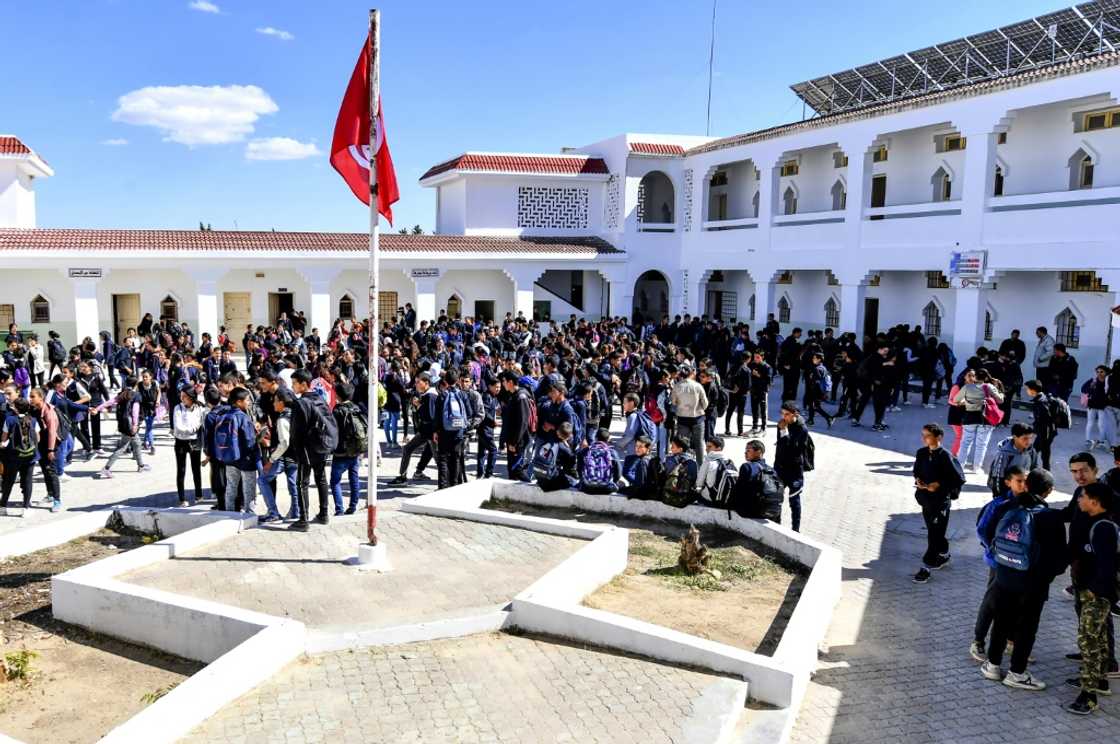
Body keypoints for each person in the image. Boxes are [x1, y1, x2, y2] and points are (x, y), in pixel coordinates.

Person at [980, 468, 1067, 691]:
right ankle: (1017, 673)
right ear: (1049, 491)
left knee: (1001, 621)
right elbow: (1059, 558)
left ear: (1026, 486)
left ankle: (992, 665)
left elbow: (989, 533)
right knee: (1027, 627)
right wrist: (1048, 575)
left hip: (1004, 575)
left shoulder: (1008, 507)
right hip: (1033, 583)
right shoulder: (1051, 517)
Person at [1065, 482, 1118, 714]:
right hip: (1093, 590)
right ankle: (1100, 680)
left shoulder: (1104, 528)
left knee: (1089, 641)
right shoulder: (1092, 521)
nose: (1079, 499)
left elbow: (1108, 567)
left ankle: (1088, 696)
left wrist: (1093, 592)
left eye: (1083, 497)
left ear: (1095, 502)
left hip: (1098, 594)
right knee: (1100, 638)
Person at [972, 465, 1031, 661]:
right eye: (1019, 481)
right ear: (1008, 482)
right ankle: (978, 641)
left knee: (1017, 604)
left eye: (1025, 481)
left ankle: (1011, 642)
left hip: (1019, 565)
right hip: (998, 564)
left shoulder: (1029, 502)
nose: (1023, 485)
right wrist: (996, 550)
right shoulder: (999, 504)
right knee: (991, 601)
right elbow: (982, 530)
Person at [911, 423, 965, 583]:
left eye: (927, 435)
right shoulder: (921, 453)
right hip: (925, 499)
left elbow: (958, 478)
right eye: (923, 435)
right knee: (933, 530)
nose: (924, 439)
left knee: (934, 532)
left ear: (938, 437)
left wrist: (939, 485)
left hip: (940, 501)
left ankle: (926, 566)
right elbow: (916, 470)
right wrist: (919, 481)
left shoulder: (946, 456)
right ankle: (944, 552)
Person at [290, 369, 336, 528]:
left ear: (303, 384)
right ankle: (324, 514)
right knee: (321, 479)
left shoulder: (301, 403)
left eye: (294, 383)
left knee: (302, 482)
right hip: (322, 446)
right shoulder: (319, 398)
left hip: (306, 449)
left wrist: (295, 449)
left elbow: (296, 430)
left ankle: (303, 520)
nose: (292, 386)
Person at [217, 387, 261, 515]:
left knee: (231, 487)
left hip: (230, 458)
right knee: (249, 489)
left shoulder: (225, 415)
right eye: (247, 399)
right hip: (246, 459)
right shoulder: (243, 417)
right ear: (238, 402)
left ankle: (229, 512)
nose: (249, 402)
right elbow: (249, 440)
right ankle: (249, 514)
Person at [95, 376, 150, 478]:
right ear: (136, 384)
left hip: (123, 424)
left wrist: (97, 408)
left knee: (137, 443)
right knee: (122, 448)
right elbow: (135, 412)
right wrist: (135, 425)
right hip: (130, 425)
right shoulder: (136, 395)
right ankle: (106, 469)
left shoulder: (122, 394)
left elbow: (110, 402)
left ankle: (141, 465)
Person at [258, 388, 299, 522]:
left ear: (282, 402)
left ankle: (273, 512)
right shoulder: (296, 414)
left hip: (282, 457)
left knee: (263, 480)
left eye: (275, 401)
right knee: (294, 486)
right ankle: (295, 512)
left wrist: (271, 460)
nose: (273, 404)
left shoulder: (282, 419)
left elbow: (284, 443)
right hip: (296, 457)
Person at [389, 372, 437, 486]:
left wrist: (418, 405)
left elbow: (430, 416)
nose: (416, 385)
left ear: (426, 383)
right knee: (407, 449)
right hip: (425, 431)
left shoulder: (430, 396)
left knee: (439, 459)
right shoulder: (426, 395)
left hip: (431, 432)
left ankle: (447, 481)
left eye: (418, 382)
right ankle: (402, 476)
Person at [952, 368, 1003, 471]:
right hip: (986, 419)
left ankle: (960, 466)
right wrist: (1000, 393)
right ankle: (976, 467)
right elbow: (1000, 400)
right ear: (985, 378)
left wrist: (968, 401)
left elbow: (955, 400)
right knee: (981, 444)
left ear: (975, 377)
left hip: (969, 418)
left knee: (965, 442)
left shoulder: (967, 387)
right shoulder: (989, 386)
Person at [330, 382, 366, 515]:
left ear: (338, 395)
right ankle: (353, 506)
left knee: (335, 481)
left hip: (341, 451)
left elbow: (333, 431)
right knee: (354, 479)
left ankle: (339, 509)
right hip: (356, 450)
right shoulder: (356, 407)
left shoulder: (337, 410)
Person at [774, 403, 811, 531]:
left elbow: (793, 450)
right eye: (782, 414)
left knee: (794, 500)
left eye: (787, 414)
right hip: (780, 467)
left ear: (795, 414)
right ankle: (776, 525)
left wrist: (783, 431)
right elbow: (780, 445)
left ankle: (796, 529)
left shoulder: (802, 429)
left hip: (794, 469)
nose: (784, 417)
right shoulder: (783, 424)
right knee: (776, 497)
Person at [0, 397, 39, 517]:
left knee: (9, 481)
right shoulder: (33, 420)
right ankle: (25, 508)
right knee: (27, 481)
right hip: (30, 456)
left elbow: (4, 438)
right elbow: (37, 438)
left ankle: (3, 506)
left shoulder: (10, 420)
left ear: (16, 409)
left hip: (13, 456)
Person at [729, 439, 784, 522]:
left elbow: (738, 491)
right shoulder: (772, 470)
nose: (745, 453)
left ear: (759, 452)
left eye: (748, 450)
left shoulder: (747, 467)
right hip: (773, 512)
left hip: (750, 512)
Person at [27, 387, 62, 512]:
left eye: (33, 396)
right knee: (45, 471)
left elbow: (52, 432)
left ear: (41, 398)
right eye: (30, 396)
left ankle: (57, 500)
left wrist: (51, 450)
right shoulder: (33, 409)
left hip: (50, 445)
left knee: (51, 472)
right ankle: (50, 495)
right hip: (40, 444)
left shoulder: (48, 411)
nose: (30, 399)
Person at [435, 368, 469, 488]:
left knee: (443, 459)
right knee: (456, 458)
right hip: (458, 432)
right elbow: (468, 413)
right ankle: (454, 485)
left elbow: (437, 416)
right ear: (458, 380)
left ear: (445, 380)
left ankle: (443, 486)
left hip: (444, 431)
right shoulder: (463, 394)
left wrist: (436, 431)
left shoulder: (442, 395)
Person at [986, 423, 1041, 497]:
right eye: (1025, 438)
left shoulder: (1031, 451)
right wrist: (999, 496)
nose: (1028, 441)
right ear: (1015, 437)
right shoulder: (1004, 454)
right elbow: (998, 477)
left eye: (1030, 438)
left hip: (1024, 491)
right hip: (1007, 493)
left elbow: (1034, 469)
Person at [171, 387, 205, 507]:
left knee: (196, 469)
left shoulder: (199, 407)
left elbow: (201, 422)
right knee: (181, 470)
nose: (182, 398)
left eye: (184, 396)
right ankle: (182, 499)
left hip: (195, 442)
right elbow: (178, 426)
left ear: (191, 397)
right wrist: (192, 429)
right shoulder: (178, 408)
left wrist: (191, 430)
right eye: (181, 396)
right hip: (180, 442)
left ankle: (199, 495)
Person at [499, 371, 535, 482]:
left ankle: (530, 490)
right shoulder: (514, 395)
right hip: (512, 440)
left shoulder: (521, 397)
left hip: (518, 442)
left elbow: (523, 422)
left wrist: (514, 442)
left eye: (504, 381)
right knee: (512, 470)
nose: (502, 384)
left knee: (517, 469)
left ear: (510, 382)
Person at [671, 364, 708, 459]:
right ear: (691, 373)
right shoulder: (697, 385)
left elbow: (673, 402)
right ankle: (700, 466)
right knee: (699, 443)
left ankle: (683, 464)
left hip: (683, 418)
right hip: (697, 418)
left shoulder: (677, 386)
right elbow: (705, 403)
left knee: (682, 443)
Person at [534, 421, 577, 492]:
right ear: (568, 437)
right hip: (548, 483)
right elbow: (572, 462)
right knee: (573, 481)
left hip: (539, 477)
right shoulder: (563, 447)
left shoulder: (547, 438)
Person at [1024, 379, 1056, 470]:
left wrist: (1033, 431)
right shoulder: (1042, 398)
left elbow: (1043, 418)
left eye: (1027, 389)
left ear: (1033, 390)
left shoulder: (1040, 402)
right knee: (1037, 451)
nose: (1026, 391)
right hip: (1048, 431)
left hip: (1045, 432)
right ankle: (1035, 469)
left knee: (1041, 453)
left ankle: (1041, 472)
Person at [578, 427, 621, 494]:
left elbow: (579, 469)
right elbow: (618, 473)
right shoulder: (612, 452)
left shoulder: (585, 451)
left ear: (596, 438)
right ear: (608, 439)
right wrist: (614, 482)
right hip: (606, 488)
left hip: (587, 487)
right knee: (621, 484)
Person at [661, 435, 698, 507]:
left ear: (680, 449)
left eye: (673, 447)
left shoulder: (669, 460)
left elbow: (665, 476)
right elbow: (694, 479)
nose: (670, 448)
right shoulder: (693, 462)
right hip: (686, 497)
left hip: (668, 495)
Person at [696, 434, 735, 503]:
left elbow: (699, 483)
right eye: (706, 446)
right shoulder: (729, 461)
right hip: (728, 498)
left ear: (718, 448)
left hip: (711, 498)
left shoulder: (709, 461)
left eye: (709, 447)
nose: (706, 449)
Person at [1082, 365, 1112, 450]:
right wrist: (1090, 387)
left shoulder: (1108, 382)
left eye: (1101, 372)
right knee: (1090, 422)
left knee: (1101, 424)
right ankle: (1087, 440)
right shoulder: (1093, 380)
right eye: (1097, 372)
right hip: (1092, 404)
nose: (1099, 373)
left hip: (1102, 405)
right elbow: (1083, 388)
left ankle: (1101, 442)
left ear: (1106, 373)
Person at [475, 378, 500, 479]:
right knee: (493, 450)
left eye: (499, 387)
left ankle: (480, 473)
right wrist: (493, 421)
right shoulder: (486, 396)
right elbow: (484, 412)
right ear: (490, 386)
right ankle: (488, 474)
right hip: (485, 428)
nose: (498, 389)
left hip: (486, 429)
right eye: (496, 387)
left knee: (482, 452)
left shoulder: (493, 396)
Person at [619, 435, 657, 499]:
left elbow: (640, 486)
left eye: (641, 446)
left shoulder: (642, 462)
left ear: (648, 449)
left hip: (644, 493)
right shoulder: (653, 458)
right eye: (636, 446)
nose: (637, 449)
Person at [802, 352, 835, 428]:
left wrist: (811, 379)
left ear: (819, 359)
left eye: (815, 358)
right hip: (820, 391)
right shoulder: (822, 367)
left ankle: (829, 418)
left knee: (815, 406)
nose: (813, 359)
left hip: (817, 391)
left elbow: (816, 381)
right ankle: (811, 420)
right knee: (812, 405)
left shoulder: (817, 369)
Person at [136, 368, 161, 456]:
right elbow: (136, 395)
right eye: (143, 377)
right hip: (143, 407)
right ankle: (151, 445)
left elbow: (159, 392)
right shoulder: (139, 385)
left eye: (146, 377)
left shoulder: (155, 383)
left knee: (149, 426)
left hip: (152, 407)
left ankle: (147, 443)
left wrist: (158, 401)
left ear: (151, 377)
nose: (145, 378)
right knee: (149, 426)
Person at [747, 350, 772, 435]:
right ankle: (754, 427)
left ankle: (763, 428)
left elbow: (769, 381)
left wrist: (759, 375)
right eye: (755, 357)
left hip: (762, 391)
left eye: (758, 357)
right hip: (754, 390)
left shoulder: (766, 367)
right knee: (754, 409)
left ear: (762, 357)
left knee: (763, 410)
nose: (756, 359)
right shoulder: (752, 365)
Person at [1032, 326, 1054, 391]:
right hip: (1040, 365)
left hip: (1045, 366)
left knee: (1044, 383)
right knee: (1039, 382)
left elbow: (1050, 352)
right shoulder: (1042, 340)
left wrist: (1041, 358)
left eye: (1037, 332)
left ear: (1042, 332)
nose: (1036, 334)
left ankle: (1043, 397)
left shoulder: (1049, 340)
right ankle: (1039, 396)